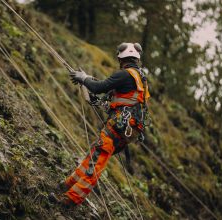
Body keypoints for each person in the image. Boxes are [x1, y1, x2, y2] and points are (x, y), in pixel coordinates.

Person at [52, 42, 150, 207]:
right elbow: (111, 93)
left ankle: (70, 199)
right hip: (127, 133)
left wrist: (84, 79)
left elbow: (99, 87)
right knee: (93, 157)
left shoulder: (125, 74)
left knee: (95, 163)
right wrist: (87, 80)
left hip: (117, 129)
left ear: (122, 59)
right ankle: (66, 185)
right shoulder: (140, 78)